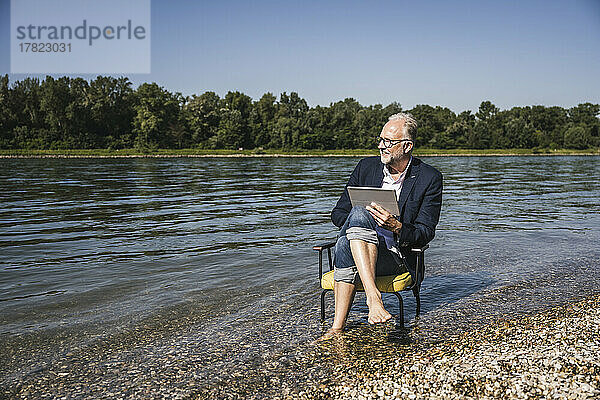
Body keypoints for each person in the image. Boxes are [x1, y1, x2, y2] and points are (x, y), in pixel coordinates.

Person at [324, 112, 443, 337]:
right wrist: (359, 222)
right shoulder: (365, 167)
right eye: (380, 140)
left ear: (407, 146)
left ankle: (336, 328)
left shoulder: (429, 177)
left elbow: (425, 232)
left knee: (344, 244)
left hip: (393, 257)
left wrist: (395, 226)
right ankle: (373, 298)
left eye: (388, 142)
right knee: (358, 215)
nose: (381, 146)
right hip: (358, 248)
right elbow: (338, 213)